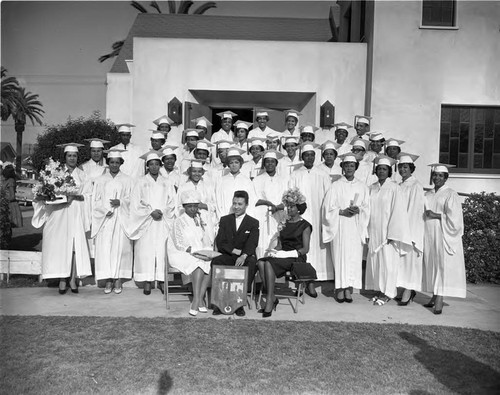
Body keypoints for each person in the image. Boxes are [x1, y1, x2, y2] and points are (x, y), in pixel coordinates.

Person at [32, 143, 92, 294]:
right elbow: (46, 193)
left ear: (78, 157)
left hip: (75, 212)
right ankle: (62, 280)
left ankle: (72, 279)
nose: (72, 158)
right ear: (65, 157)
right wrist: (61, 197)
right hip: (58, 214)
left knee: (73, 247)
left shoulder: (83, 175)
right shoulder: (55, 173)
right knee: (60, 246)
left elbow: (89, 195)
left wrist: (76, 196)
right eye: (69, 155)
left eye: (75, 155)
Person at [126, 150, 176, 295]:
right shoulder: (141, 182)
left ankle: (161, 280)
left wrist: (163, 211)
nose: (154, 167)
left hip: (162, 221)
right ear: (147, 166)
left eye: (156, 164)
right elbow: (135, 204)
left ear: (160, 165)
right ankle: (147, 281)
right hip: (146, 222)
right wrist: (150, 212)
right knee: (146, 251)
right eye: (151, 164)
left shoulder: (167, 182)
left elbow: (172, 202)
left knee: (161, 251)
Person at [257, 187, 312, 317]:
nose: (289, 209)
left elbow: (305, 249)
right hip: (282, 256)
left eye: (292, 206)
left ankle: (270, 299)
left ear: (299, 208)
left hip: (296, 258)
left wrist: (286, 254)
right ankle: (273, 296)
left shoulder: (305, 226)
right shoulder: (284, 223)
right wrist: (274, 251)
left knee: (269, 264)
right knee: (261, 263)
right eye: (288, 206)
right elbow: (281, 245)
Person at [322, 153, 370, 303]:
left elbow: (367, 207)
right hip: (341, 225)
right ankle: (340, 288)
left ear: (356, 167)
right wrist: (341, 211)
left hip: (355, 225)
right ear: (342, 167)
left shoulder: (362, 186)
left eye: (352, 165)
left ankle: (349, 289)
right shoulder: (336, 185)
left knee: (354, 258)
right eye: (346, 165)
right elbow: (327, 207)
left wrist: (359, 210)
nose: (349, 168)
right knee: (340, 255)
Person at [365, 155, 412, 306]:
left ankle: (388, 292)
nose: (381, 171)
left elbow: (398, 211)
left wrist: (393, 233)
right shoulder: (372, 187)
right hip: (374, 231)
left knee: (388, 263)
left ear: (389, 171)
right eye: (379, 169)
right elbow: (366, 210)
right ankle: (379, 289)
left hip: (388, 233)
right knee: (377, 263)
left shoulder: (394, 188)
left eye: (384, 169)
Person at [422, 163, 466, 314]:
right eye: (435, 175)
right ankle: (434, 295)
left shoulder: (450, 194)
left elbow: (455, 218)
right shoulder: (428, 194)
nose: (437, 178)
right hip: (429, 235)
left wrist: (436, 215)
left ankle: (440, 298)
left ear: (446, 178)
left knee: (441, 265)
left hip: (442, 234)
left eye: (440, 176)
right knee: (432, 264)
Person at [288, 143, 332, 285]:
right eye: (306, 155)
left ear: (315, 156)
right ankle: (302, 277)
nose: (309, 157)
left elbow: (329, 197)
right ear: (302, 157)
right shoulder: (296, 174)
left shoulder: (323, 175)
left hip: (318, 215)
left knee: (317, 245)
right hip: (302, 216)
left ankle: (316, 277)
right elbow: (291, 196)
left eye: (312, 155)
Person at [91, 149, 133, 294]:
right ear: (108, 163)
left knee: (120, 249)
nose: (114, 165)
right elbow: (95, 201)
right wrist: (104, 210)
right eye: (112, 162)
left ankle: (118, 279)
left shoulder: (128, 180)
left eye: (117, 162)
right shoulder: (100, 180)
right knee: (106, 249)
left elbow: (132, 199)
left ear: (121, 163)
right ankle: (108, 279)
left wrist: (120, 201)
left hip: (121, 219)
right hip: (105, 220)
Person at [211, 190, 259, 317]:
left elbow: (252, 242)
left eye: (240, 204)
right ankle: (218, 303)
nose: (236, 207)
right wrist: (234, 251)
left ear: (246, 205)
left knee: (251, 262)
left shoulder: (253, 222)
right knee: (217, 261)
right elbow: (221, 241)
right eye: (234, 203)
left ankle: (239, 303)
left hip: (244, 256)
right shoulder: (225, 220)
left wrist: (243, 255)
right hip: (228, 254)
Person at [167, 190, 215, 316]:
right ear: (184, 207)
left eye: (195, 206)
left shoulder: (198, 220)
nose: (193, 209)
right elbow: (179, 244)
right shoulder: (179, 221)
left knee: (208, 261)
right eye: (189, 206)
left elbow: (204, 239)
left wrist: (205, 251)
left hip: (195, 252)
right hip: (180, 253)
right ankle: (197, 301)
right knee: (198, 262)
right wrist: (196, 252)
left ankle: (198, 299)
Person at [395, 153, 425, 306]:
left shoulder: (416, 186)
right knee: (402, 262)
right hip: (401, 229)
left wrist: (411, 233)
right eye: (400, 167)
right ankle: (403, 288)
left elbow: (415, 211)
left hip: (411, 230)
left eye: (405, 167)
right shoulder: (399, 185)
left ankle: (409, 290)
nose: (402, 169)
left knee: (411, 261)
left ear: (411, 168)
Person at [253, 150, 288, 258]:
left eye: (272, 162)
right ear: (264, 164)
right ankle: (261, 266)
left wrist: (277, 207)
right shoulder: (257, 180)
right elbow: (255, 199)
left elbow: (287, 199)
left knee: (277, 241)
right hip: (263, 216)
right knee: (262, 243)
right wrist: (268, 203)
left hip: (279, 216)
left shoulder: (284, 180)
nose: (270, 164)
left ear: (276, 164)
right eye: (267, 162)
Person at [214, 147, 257, 219]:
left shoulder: (247, 181)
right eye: (231, 163)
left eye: (236, 162)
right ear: (228, 164)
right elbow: (217, 201)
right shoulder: (221, 180)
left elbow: (251, 201)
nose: (234, 165)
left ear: (240, 164)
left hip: (242, 218)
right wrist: (221, 218)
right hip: (225, 216)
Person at [176, 160, 216, 228]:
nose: (197, 174)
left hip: (206, 221)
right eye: (194, 171)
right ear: (190, 172)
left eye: (199, 171)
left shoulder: (208, 187)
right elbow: (178, 205)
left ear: (202, 173)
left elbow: (214, 205)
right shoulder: (183, 187)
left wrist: (204, 206)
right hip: (188, 222)